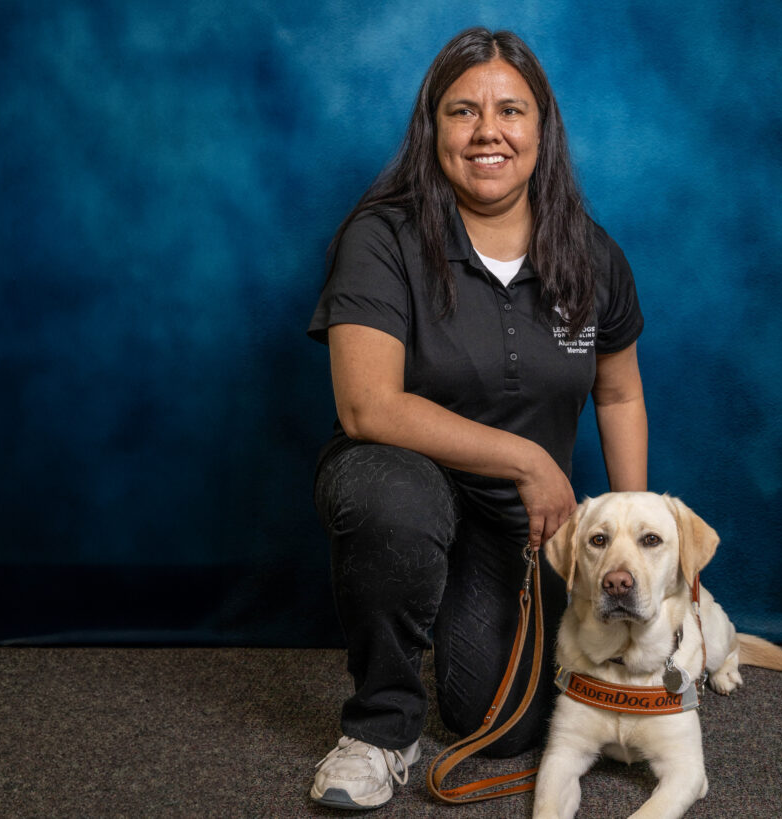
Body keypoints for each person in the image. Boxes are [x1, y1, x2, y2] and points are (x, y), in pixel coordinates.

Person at [307, 27, 648, 810]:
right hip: (399, 481)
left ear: (543, 129)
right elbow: (367, 406)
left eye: (509, 111)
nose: (487, 130)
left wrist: (640, 541)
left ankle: (451, 620)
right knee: (393, 496)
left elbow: (620, 394)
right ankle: (379, 728)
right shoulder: (381, 237)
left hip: (515, 529)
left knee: (503, 723)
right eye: (462, 111)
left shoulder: (591, 255)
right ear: (433, 132)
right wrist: (528, 459)